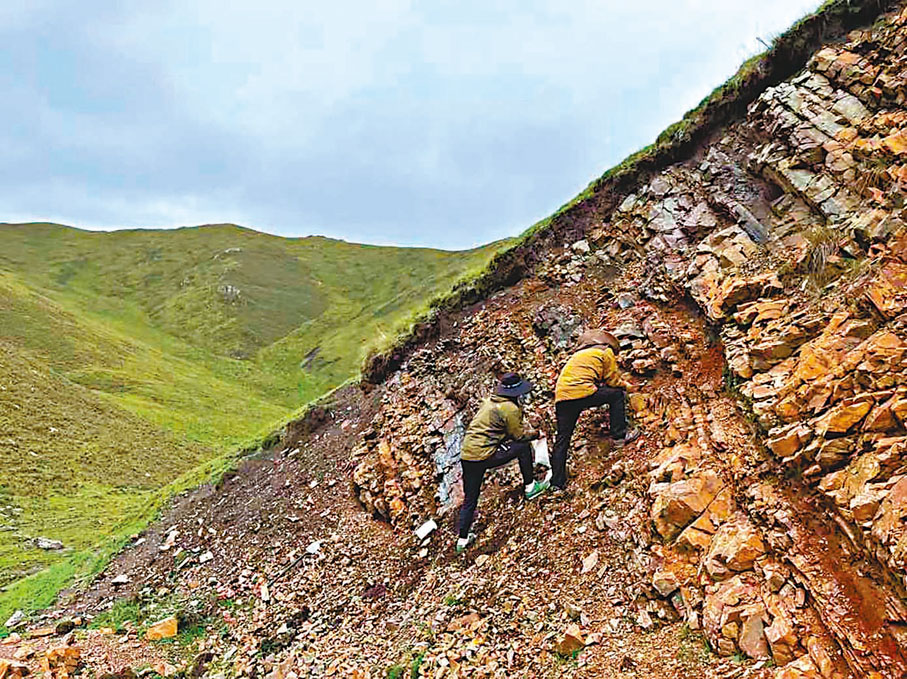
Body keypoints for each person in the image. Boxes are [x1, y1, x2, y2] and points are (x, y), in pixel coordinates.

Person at [456, 372, 549, 553]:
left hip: (468, 456)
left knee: (470, 498)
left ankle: (462, 539)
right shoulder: (509, 408)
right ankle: (531, 487)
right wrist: (537, 434)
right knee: (522, 447)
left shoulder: (489, 403)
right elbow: (519, 435)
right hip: (484, 454)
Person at [551, 329, 639, 492]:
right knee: (616, 395)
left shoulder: (578, 356)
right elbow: (612, 380)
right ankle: (620, 436)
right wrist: (628, 386)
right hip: (582, 392)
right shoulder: (606, 352)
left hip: (562, 398)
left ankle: (557, 483)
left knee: (562, 439)